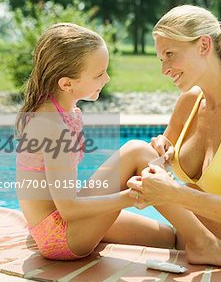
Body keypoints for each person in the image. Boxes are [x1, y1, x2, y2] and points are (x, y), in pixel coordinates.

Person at [128, 5, 221, 268]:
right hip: (181, 241)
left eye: (170, 54)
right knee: (132, 154)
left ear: (203, 45)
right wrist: (160, 154)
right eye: (160, 59)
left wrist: (175, 194)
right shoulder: (189, 101)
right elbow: (160, 165)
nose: (164, 69)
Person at [15, 23, 176, 260]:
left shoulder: (62, 113)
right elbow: (68, 209)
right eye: (99, 74)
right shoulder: (53, 127)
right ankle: (204, 240)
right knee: (136, 151)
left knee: (170, 239)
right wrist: (129, 197)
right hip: (62, 236)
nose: (107, 78)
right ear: (66, 83)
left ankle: (200, 236)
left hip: (65, 222)